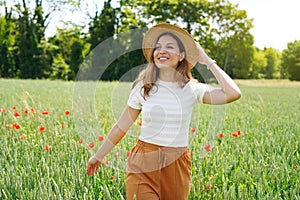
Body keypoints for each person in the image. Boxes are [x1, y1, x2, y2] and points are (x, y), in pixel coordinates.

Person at [86, 23, 241, 199]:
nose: (162, 51)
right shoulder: (143, 87)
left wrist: (207, 60)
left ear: (182, 55)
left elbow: (233, 93)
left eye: (169, 47)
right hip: (143, 162)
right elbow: (120, 127)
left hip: (176, 165)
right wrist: (98, 156)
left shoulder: (192, 89)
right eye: (157, 47)